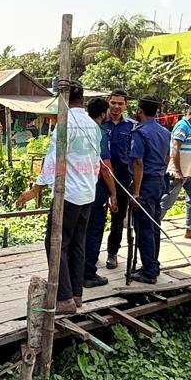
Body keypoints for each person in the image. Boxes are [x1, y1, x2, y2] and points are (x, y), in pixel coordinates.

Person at [16, 82, 104, 314]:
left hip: (69, 194)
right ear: (82, 99)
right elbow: (96, 162)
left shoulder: (65, 124)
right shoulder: (93, 125)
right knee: (77, 244)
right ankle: (76, 294)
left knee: (56, 243)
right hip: (87, 192)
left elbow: (52, 160)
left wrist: (35, 189)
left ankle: (64, 298)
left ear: (63, 98)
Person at [130, 95, 172, 284]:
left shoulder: (140, 132)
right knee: (154, 225)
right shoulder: (164, 132)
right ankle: (153, 263)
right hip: (160, 181)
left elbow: (138, 163)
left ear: (140, 111)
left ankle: (149, 272)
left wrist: (136, 192)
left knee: (144, 227)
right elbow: (167, 157)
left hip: (146, 183)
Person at [82, 96, 118, 288]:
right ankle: (88, 273)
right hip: (96, 188)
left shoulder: (78, 128)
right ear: (103, 114)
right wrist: (113, 192)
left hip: (78, 187)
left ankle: (75, 271)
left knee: (80, 230)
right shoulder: (99, 133)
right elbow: (105, 167)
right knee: (94, 230)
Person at [161, 102, 191, 239]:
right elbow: (175, 148)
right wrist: (177, 171)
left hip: (189, 173)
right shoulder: (182, 126)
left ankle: (190, 229)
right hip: (178, 173)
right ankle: (152, 226)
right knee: (166, 202)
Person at [101, 89, 135, 270]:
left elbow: (134, 154)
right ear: (108, 102)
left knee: (118, 217)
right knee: (96, 216)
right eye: (113, 102)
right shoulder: (99, 123)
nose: (116, 106)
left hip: (122, 177)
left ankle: (112, 253)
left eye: (120, 103)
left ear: (125, 105)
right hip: (99, 176)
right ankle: (90, 254)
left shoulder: (132, 126)